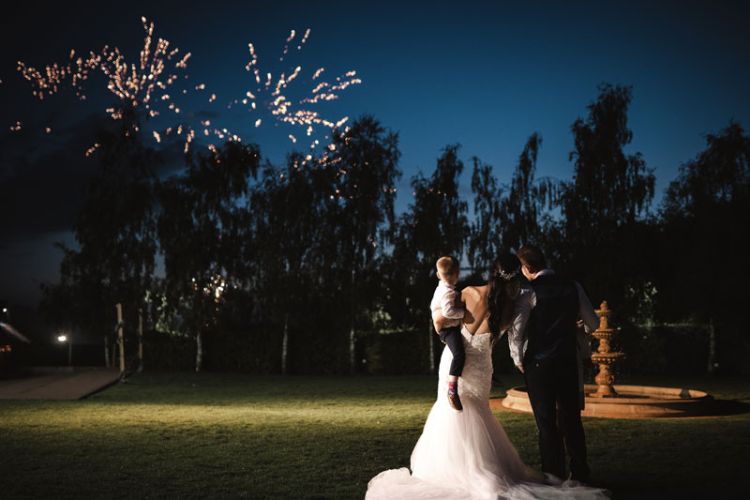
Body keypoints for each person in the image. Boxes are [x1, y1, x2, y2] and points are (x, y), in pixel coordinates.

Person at [366, 254, 609, 500]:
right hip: (482, 366)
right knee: (479, 414)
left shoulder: (470, 292)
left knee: (450, 411)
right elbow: (517, 334)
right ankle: (485, 468)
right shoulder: (511, 307)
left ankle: (451, 471)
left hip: (455, 361)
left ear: (492, 271)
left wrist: (444, 321)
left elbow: (440, 320)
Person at [508, 245, 599, 483]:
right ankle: (580, 473)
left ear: (527, 268)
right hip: (568, 361)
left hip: (539, 365)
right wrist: (581, 328)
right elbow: (595, 323)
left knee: (546, 423)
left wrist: (518, 359)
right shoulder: (573, 286)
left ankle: (553, 475)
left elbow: (516, 331)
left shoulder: (528, 291)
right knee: (571, 420)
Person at [430, 255, 467, 410]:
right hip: (448, 329)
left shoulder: (441, 288)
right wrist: (464, 313)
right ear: (457, 273)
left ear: (439, 275)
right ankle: (452, 389)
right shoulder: (447, 292)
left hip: (449, 328)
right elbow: (448, 312)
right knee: (459, 354)